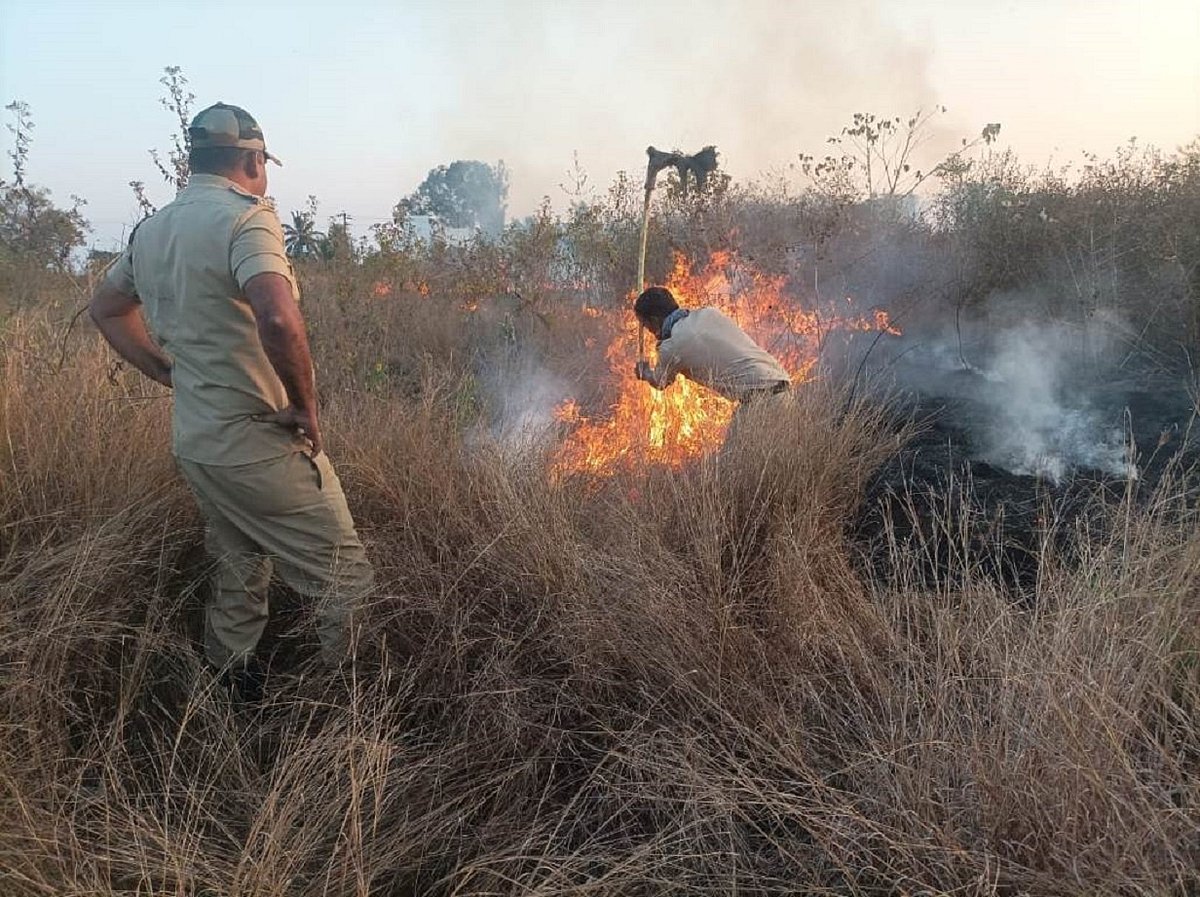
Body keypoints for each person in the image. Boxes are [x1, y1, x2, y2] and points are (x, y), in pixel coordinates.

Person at [88, 102, 374, 697]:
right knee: (347, 580)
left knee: (240, 565)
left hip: (199, 442)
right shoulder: (248, 220)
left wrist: (167, 373)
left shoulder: (155, 228)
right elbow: (277, 316)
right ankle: (348, 704)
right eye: (263, 164)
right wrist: (304, 407)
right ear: (251, 160)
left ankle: (231, 682)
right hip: (257, 445)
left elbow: (107, 309)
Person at [633, 286, 791, 404]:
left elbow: (660, 382)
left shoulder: (672, 346)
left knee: (735, 450)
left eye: (646, 326)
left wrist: (645, 373)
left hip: (760, 401)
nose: (649, 331)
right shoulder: (709, 313)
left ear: (654, 321)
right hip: (785, 388)